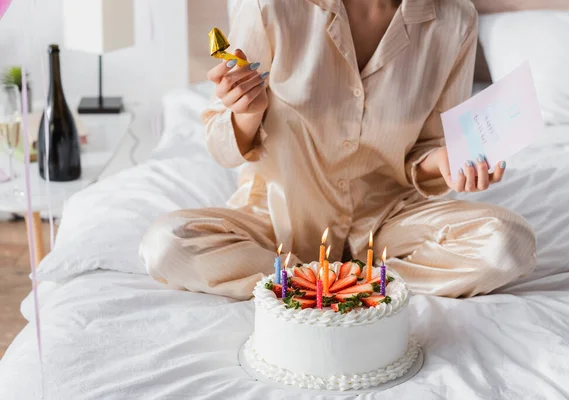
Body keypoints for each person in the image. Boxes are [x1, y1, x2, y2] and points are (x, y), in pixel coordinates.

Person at [140, 0, 536, 300]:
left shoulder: (455, 20)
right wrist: (247, 113)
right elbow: (220, 142)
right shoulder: (273, 6)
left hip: (389, 218)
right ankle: (336, 285)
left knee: (506, 244)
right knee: (168, 245)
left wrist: (445, 163)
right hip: (277, 218)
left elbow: (427, 149)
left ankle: (338, 289)